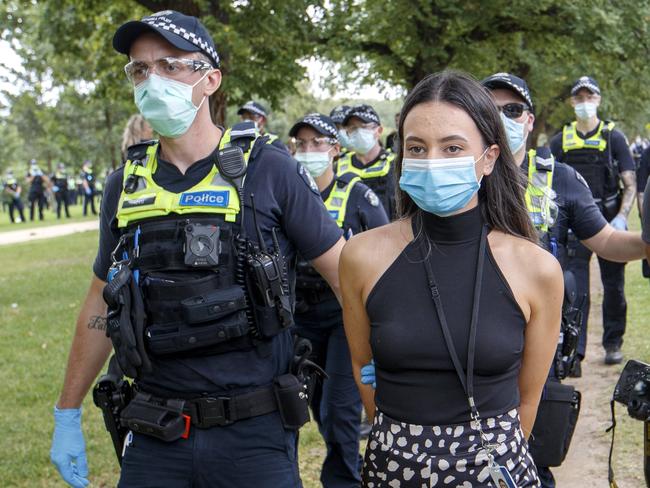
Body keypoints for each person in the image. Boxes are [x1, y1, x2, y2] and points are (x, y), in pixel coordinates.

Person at [49, 10, 345, 488]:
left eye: (169, 66)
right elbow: (100, 303)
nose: (152, 80)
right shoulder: (123, 186)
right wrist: (66, 412)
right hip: (153, 429)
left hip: (255, 432)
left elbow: (345, 276)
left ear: (210, 80)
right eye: (140, 69)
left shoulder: (270, 169)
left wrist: (374, 369)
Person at [341, 70, 563, 487]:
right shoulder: (362, 256)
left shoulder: (536, 269)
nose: (432, 162)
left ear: (490, 157)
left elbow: (529, 396)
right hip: (394, 466)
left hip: (496, 470)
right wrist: (405, 443)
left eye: (453, 147)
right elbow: (361, 365)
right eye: (417, 148)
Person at [482, 72, 647, 488]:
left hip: (538, 337)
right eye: (492, 109)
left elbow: (607, 241)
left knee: (532, 454)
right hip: (469, 337)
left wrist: (646, 244)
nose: (503, 117)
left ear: (530, 120)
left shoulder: (559, 178)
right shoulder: (458, 176)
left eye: (513, 109)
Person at [290, 113, 389, 488]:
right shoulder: (288, 195)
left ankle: (344, 481)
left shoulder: (358, 194)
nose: (309, 151)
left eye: (317, 143)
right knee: (306, 406)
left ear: (334, 149)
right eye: (302, 144)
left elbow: (385, 253)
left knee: (338, 411)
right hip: (298, 316)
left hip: (345, 316)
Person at [550, 76, 637, 365]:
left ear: (598, 99)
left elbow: (630, 181)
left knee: (614, 288)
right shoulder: (560, 140)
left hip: (608, 220)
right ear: (572, 102)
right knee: (574, 289)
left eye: (590, 97)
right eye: (579, 98)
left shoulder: (614, 137)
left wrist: (622, 218)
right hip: (574, 226)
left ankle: (613, 344)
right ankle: (575, 350)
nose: (585, 103)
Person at [337, 104, 397, 219]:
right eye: (353, 128)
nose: (358, 132)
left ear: (379, 131)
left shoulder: (395, 165)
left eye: (364, 127)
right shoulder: (339, 166)